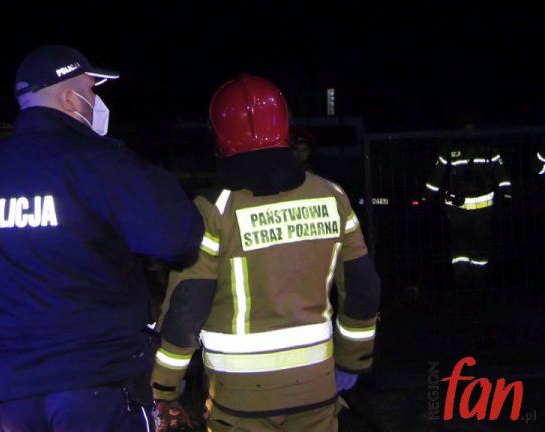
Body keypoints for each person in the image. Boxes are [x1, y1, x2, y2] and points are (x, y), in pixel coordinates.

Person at [0, 44, 204, 432]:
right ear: (69, 97)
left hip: (11, 389)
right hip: (94, 382)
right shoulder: (99, 161)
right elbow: (177, 238)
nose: (96, 100)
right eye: (92, 90)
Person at [150, 74, 381, 432]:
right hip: (318, 387)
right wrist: (353, 362)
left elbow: (186, 308)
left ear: (219, 136)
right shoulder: (332, 196)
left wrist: (164, 385)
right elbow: (363, 289)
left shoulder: (213, 210)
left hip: (240, 399)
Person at [424, 122, 512, 287]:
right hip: (476, 209)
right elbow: (502, 176)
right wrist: (507, 197)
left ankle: (465, 280)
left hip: (462, 209)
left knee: (463, 245)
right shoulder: (487, 147)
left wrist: (427, 198)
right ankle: (474, 280)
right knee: (474, 245)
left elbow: (435, 177)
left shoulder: (451, 147)